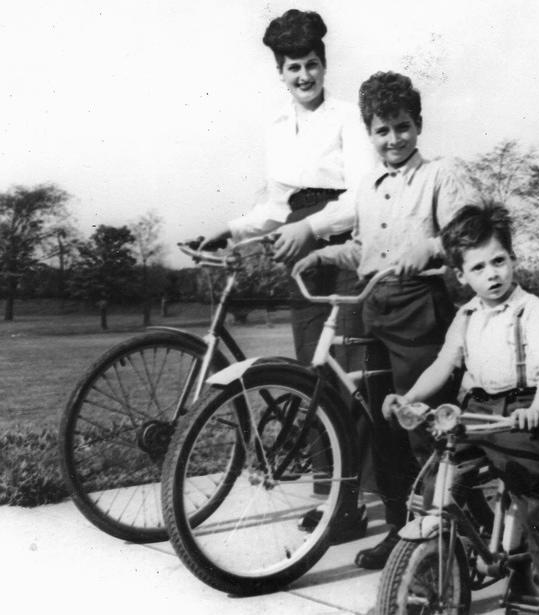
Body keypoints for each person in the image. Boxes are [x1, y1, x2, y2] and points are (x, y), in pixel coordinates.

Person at [197, 9, 374, 541]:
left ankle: (354, 501)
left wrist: (313, 228)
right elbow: (275, 206)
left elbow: (361, 196)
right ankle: (329, 499)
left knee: (348, 370)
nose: (304, 76)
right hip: (299, 253)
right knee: (312, 376)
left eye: (312, 65)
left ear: (325, 65)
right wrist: (226, 230)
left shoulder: (348, 117)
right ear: (280, 71)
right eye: (294, 67)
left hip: (343, 247)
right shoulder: (276, 126)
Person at [293, 71, 468, 569]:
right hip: (374, 310)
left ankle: (446, 532)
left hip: (420, 307)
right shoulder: (368, 184)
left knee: (423, 423)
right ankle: (401, 527)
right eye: (382, 130)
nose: (393, 139)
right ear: (368, 133)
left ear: (418, 125)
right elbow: (366, 251)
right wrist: (326, 257)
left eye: (402, 126)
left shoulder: (441, 174)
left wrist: (430, 246)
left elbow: (470, 234)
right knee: (384, 427)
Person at [383, 202, 539, 614]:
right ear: (461, 276)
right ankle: (428, 581)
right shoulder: (467, 315)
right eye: (478, 268)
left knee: (535, 505)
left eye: (499, 261)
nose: (491, 273)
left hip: (522, 409)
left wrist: (538, 408)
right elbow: (443, 365)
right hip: (475, 410)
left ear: (513, 260)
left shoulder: (532, 311)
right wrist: (411, 398)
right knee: (438, 486)